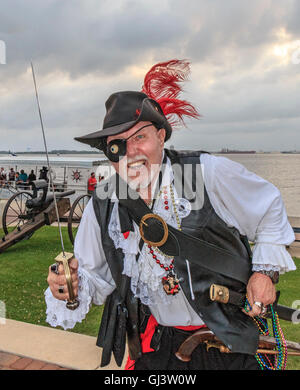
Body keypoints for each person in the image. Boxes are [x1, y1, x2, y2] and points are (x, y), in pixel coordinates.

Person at [46, 60, 296, 370]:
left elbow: (269, 207)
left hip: (230, 344)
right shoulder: (105, 201)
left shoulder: (206, 173)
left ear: (162, 136)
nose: (130, 154)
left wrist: (264, 272)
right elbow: (93, 278)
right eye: (117, 146)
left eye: (140, 137)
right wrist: (66, 286)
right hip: (160, 347)